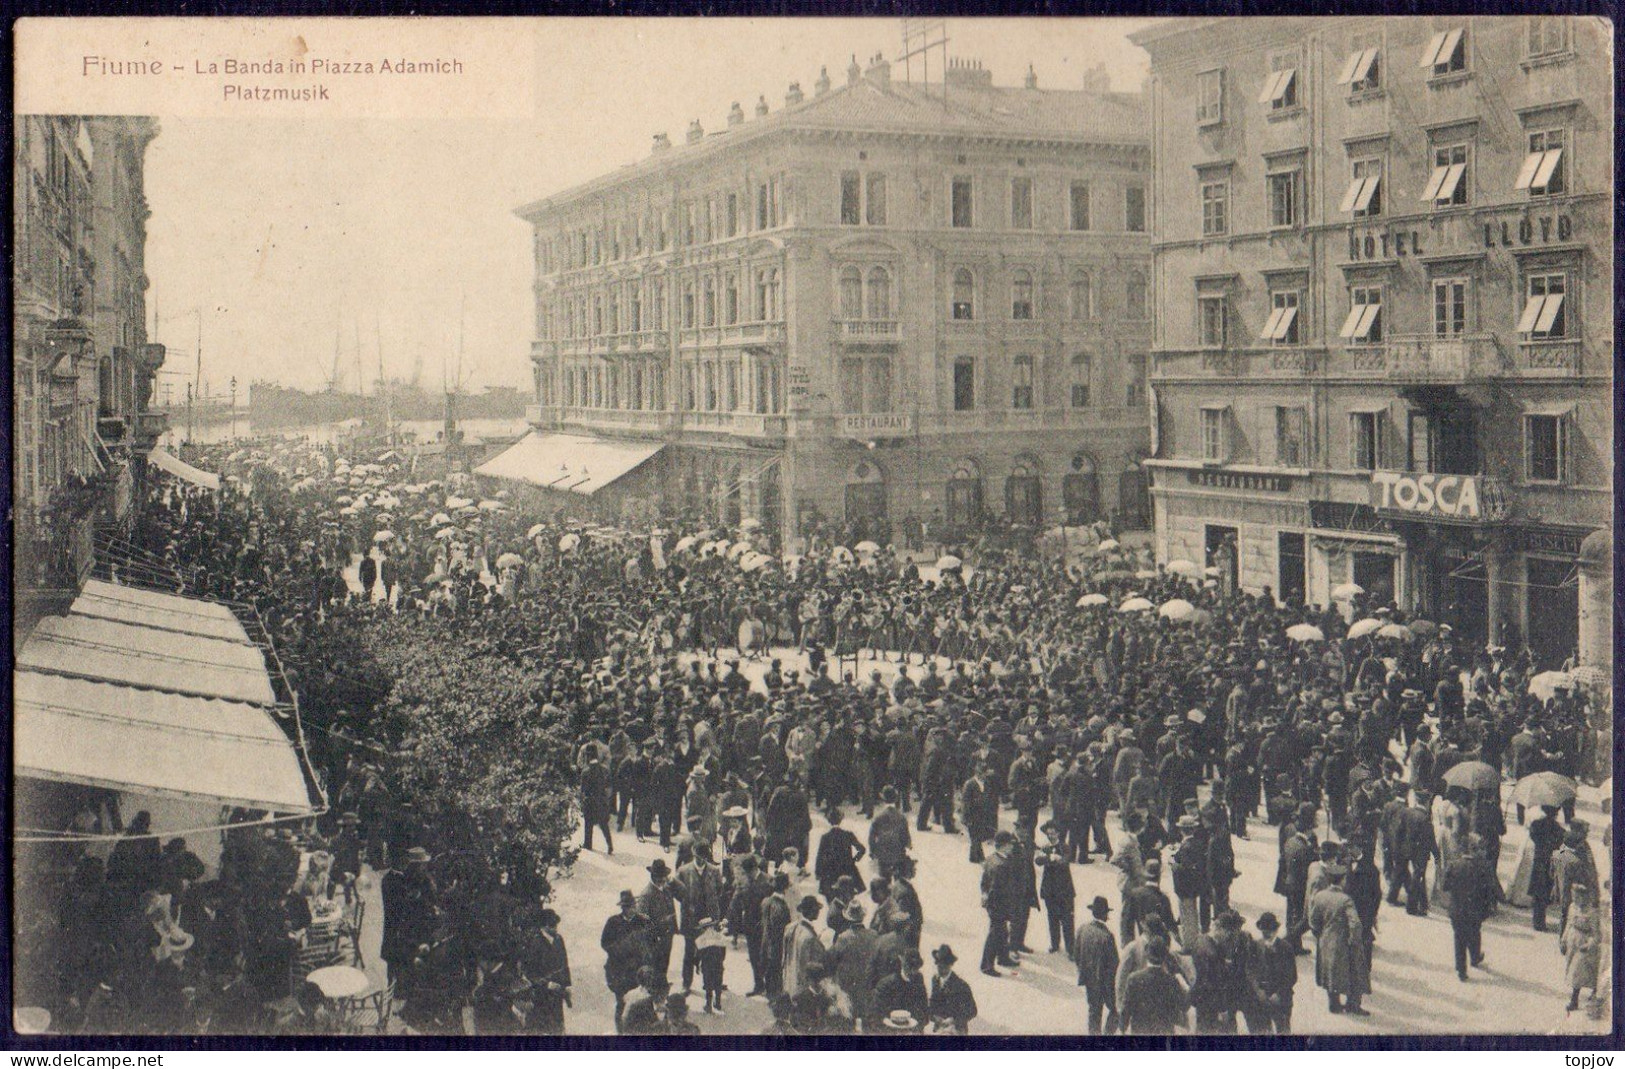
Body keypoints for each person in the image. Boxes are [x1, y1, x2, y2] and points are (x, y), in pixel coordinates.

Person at [1307, 862, 1369, 1015]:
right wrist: (1354, 941)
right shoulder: (1345, 900)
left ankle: (1334, 1005)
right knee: (1355, 972)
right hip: (1343, 942)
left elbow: (1313, 920)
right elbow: (1355, 924)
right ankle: (1353, 1005)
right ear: (1342, 880)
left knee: (1330, 972)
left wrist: (1320, 934)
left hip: (1325, 940)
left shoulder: (1320, 896)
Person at [1119, 938, 1190, 1035]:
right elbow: (1184, 1006)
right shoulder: (1171, 981)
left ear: (1147, 955)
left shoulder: (1133, 979)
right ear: (1164, 957)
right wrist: (1184, 986)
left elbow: (1126, 1008)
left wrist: (1122, 1028)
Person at [601, 890, 648, 1032]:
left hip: (637, 970)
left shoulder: (642, 921)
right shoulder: (613, 922)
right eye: (631, 907)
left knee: (640, 1001)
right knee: (621, 1002)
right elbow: (605, 943)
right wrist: (620, 951)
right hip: (619, 970)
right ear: (624, 908)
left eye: (635, 906)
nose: (634, 909)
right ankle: (620, 1032)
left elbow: (650, 941)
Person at [1074, 896, 1119, 1035]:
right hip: (1104, 982)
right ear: (1105, 915)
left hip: (1089, 979)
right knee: (1115, 1010)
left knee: (1094, 1011)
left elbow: (1077, 955)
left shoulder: (1082, 929)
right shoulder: (1107, 936)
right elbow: (1114, 962)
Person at [1244, 911, 1296, 1034]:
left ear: (1276, 930)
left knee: (1283, 1032)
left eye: (1270, 930)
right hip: (1262, 998)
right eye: (1264, 930)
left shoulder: (1286, 948)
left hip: (1282, 999)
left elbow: (1291, 976)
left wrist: (1279, 994)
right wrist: (1258, 991)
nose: (1267, 933)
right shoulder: (1255, 946)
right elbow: (1250, 970)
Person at [978, 830, 1021, 976]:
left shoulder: (991, 859)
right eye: (1010, 844)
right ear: (1004, 845)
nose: (1012, 847)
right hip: (999, 905)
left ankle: (1003, 958)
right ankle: (986, 965)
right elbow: (999, 890)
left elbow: (984, 882)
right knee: (995, 934)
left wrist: (984, 895)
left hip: (993, 904)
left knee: (1002, 932)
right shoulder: (1002, 865)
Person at [525, 908, 571, 1035]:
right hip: (542, 996)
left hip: (557, 993)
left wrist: (566, 985)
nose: (555, 927)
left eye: (556, 924)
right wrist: (546, 985)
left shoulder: (558, 940)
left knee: (558, 1028)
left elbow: (564, 964)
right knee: (543, 1029)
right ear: (543, 926)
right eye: (552, 924)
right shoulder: (535, 943)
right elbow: (530, 972)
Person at [636, 859, 680, 987]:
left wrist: (674, 928)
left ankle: (663, 985)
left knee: (665, 963)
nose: (665, 879)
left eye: (665, 876)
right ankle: (654, 993)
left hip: (667, 936)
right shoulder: (646, 895)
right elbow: (643, 923)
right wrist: (660, 925)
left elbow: (671, 908)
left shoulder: (666, 889)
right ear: (654, 877)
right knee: (654, 967)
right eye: (662, 877)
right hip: (654, 940)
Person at [1035, 821, 1077, 956]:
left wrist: (1055, 859)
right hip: (1050, 889)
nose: (1050, 836)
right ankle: (1055, 944)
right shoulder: (1045, 847)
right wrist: (1050, 858)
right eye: (1048, 833)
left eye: (1053, 833)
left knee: (1067, 920)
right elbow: (1038, 860)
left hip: (1064, 890)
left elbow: (1066, 860)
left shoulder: (1064, 846)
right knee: (1052, 918)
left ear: (1058, 833)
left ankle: (1071, 948)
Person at [1561, 884, 1601, 1013]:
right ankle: (1595, 990)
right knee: (1575, 970)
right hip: (1572, 941)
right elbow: (1568, 924)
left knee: (1576, 972)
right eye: (1574, 896)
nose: (1575, 899)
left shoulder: (1592, 913)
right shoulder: (1572, 907)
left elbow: (1596, 935)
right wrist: (1563, 940)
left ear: (1585, 897)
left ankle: (1574, 1000)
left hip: (1584, 945)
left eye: (1578, 897)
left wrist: (1588, 945)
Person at [815, 807, 867, 898]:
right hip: (847, 869)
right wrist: (854, 859)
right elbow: (862, 849)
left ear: (828, 820)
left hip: (830, 871)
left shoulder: (825, 837)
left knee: (831, 896)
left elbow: (820, 856)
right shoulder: (848, 834)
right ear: (841, 819)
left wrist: (818, 872)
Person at [782, 895, 827, 1001]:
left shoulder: (790, 928)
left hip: (789, 982)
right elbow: (807, 966)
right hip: (802, 987)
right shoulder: (809, 936)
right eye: (816, 910)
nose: (818, 912)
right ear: (812, 911)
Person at [926, 944, 977, 1035]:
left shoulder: (961, 985)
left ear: (950, 966)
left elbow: (972, 1011)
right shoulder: (935, 980)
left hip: (957, 1028)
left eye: (944, 967)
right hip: (940, 1026)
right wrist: (934, 1017)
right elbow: (933, 1002)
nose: (940, 970)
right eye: (938, 966)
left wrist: (953, 1020)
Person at [873, 948, 929, 1030]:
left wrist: (917, 1024)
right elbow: (877, 1014)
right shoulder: (886, 984)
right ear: (903, 964)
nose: (913, 972)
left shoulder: (919, 979)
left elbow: (923, 1009)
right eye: (910, 967)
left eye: (916, 968)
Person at [868, 787, 913, 879]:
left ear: (882, 798)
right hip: (898, 854)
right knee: (899, 882)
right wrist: (908, 845)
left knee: (884, 882)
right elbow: (905, 836)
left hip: (882, 855)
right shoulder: (901, 817)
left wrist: (872, 852)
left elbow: (871, 837)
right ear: (896, 798)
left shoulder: (878, 817)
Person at [580, 756, 614, 854]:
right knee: (604, 825)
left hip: (589, 802)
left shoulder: (585, 772)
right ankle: (610, 845)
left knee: (588, 824)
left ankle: (588, 844)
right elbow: (609, 787)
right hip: (601, 801)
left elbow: (583, 790)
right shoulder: (605, 769)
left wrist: (581, 804)